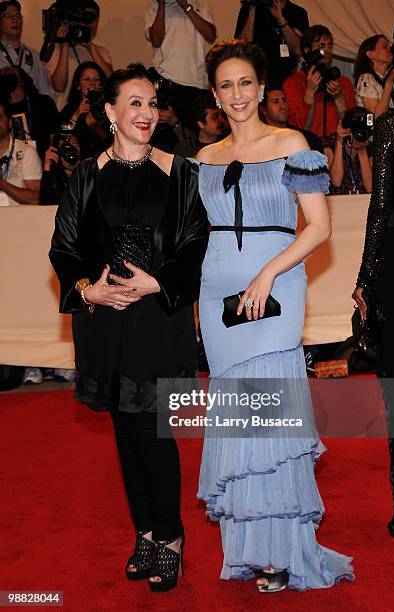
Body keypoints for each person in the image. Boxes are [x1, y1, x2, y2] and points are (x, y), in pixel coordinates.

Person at [196, 39, 354, 592]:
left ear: (262, 88)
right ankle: (252, 548)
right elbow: (193, 236)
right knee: (241, 420)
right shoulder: (205, 158)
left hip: (277, 286)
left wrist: (267, 272)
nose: (236, 94)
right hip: (218, 293)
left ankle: (281, 548)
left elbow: (319, 226)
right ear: (214, 94)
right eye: (225, 85)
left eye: (245, 83)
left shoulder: (295, 145)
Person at [49, 64, 208, 592]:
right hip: (104, 320)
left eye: (152, 103)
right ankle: (145, 531)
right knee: (123, 427)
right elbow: (64, 248)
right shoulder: (87, 176)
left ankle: (170, 537)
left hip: (158, 318)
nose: (146, 113)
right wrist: (86, 290)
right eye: (133, 103)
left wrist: (156, 283)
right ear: (111, 112)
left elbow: (192, 247)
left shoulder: (181, 171)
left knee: (152, 431)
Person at [352, 107, 394, 537]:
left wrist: (365, 279)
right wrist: (366, 278)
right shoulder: (393, 124)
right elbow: (380, 206)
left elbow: (382, 207)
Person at [144, 0, 216, 122]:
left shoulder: (201, 3)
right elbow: (156, 40)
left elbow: (210, 35)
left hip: (196, 81)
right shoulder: (154, 5)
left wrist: (185, 6)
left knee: (195, 132)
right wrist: (162, 4)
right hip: (166, 78)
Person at [283, 25, 356, 138]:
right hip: (309, 148)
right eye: (321, 46)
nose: (327, 50)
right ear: (307, 50)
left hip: (338, 148)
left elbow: (352, 128)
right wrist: (309, 93)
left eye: (329, 45)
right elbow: (296, 127)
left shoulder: (343, 82)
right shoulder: (293, 83)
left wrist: (339, 99)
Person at [48, 0, 113, 109]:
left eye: (93, 19)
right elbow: (59, 86)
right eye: (85, 19)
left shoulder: (102, 51)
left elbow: (111, 81)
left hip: (95, 115)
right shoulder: (58, 49)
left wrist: (90, 47)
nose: (89, 24)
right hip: (66, 113)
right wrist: (65, 44)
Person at [235, 0, 309, 84]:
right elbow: (241, 45)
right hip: (258, 74)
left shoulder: (299, 13)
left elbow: (298, 49)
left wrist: (281, 20)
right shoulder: (250, 8)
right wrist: (252, 11)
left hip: (288, 75)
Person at [0, 64, 59, 160]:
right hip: (10, 166)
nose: (7, 71)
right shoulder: (1, 111)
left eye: (11, 70)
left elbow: (55, 136)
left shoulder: (43, 102)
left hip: (43, 162)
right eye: (3, 72)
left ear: (23, 80)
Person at [0, 0, 52, 97]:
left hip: (31, 110)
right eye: (8, 16)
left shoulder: (34, 56)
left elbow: (45, 92)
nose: (14, 20)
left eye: (17, 16)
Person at [59, 61, 110, 159]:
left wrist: (95, 126)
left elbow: (110, 141)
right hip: (78, 162)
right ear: (78, 85)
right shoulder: (69, 109)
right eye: (87, 79)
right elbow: (61, 138)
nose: (92, 83)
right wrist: (76, 115)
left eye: (96, 79)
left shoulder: (107, 109)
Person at [0, 100, 42, 206]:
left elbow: (35, 199)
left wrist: (2, 183)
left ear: (9, 123)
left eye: (0, 117)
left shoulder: (27, 153)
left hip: (19, 220)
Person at [259, 83, 323, 152]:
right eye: (275, 102)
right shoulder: (259, 142)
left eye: (284, 101)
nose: (283, 107)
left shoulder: (308, 139)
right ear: (263, 110)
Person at [355, 35, 394, 119]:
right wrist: (389, 82)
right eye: (385, 47)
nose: (390, 49)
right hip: (377, 131)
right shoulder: (366, 79)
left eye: (389, 46)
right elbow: (377, 116)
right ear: (370, 54)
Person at [326, 116, 372, 195]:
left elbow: (370, 187)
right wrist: (339, 141)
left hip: (362, 203)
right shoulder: (330, 144)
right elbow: (336, 181)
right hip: (338, 203)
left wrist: (362, 150)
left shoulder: (371, 147)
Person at [174, 91, 229, 157]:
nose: (222, 120)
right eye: (215, 117)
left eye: (222, 115)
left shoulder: (230, 141)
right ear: (201, 124)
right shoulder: (185, 150)